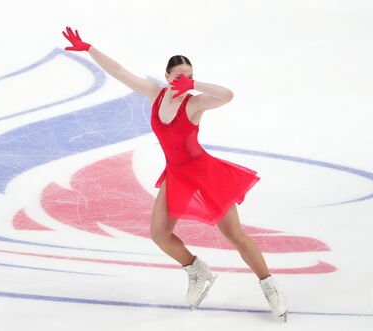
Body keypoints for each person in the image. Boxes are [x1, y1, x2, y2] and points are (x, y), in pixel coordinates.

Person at [61, 26, 288, 321]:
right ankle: (197, 270)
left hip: (205, 173)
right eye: (178, 76)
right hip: (176, 174)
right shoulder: (155, 94)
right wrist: (89, 48)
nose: (184, 81)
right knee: (159, 234)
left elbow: (227, 95)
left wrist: (194, 84)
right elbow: (119, 71)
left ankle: (270, 286)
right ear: (167, 77)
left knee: (234, 234)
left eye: (188, 76)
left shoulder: (194, 103)